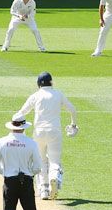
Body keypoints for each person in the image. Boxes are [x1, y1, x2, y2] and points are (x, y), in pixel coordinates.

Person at [15, 72, 77, 200]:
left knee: (41, 160)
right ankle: (53, 177)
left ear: (38, 84)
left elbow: (22, 113)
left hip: (39, 132)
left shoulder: (36, 96)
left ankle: (44, 189)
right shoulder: (58, 94)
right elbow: (72, 109)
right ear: (51, 82)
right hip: (54, 131)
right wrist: (73, 125)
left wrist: (16, 127)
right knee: (54, 161)